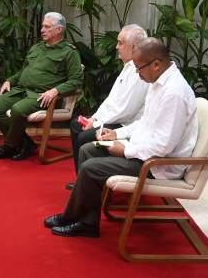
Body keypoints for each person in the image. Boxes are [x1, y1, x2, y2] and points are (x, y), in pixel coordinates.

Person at [44, 38, 198, 237]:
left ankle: (77, 219)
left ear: (156, 64)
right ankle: (85, 220)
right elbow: (145, 122)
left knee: (92, 167)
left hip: (158, 165)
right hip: (145, 151)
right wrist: (117, 134)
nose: (137, 73)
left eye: (139, 68)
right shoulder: (158, 81)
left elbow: (163, 146)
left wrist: (124, 149)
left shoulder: (174, 93)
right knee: (88, 149)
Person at [0, 12, 83, 160]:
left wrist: (56, 91)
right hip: (22, 90)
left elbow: (76, 80)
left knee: (17, 110)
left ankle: (9, 146)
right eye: (42, 26)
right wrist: (10, 81)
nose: (42, 30)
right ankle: (25, 143)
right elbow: (23, 72)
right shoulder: (36, 48)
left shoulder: (69, 53)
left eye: (47, 27)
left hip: (42, 96)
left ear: (59, 30)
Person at [66, 24, 149, 190]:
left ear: (134, 47)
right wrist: (95, 118)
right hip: (117, 120)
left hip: (126, 124)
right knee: (77, 124)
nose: (116, 47)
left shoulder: (140, 72)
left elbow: (125, 111)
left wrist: (96, 124)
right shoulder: (128, 67)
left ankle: (89, 180)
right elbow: (111, 101)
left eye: (120, 43)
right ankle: (82, 178)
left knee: (85, 137)